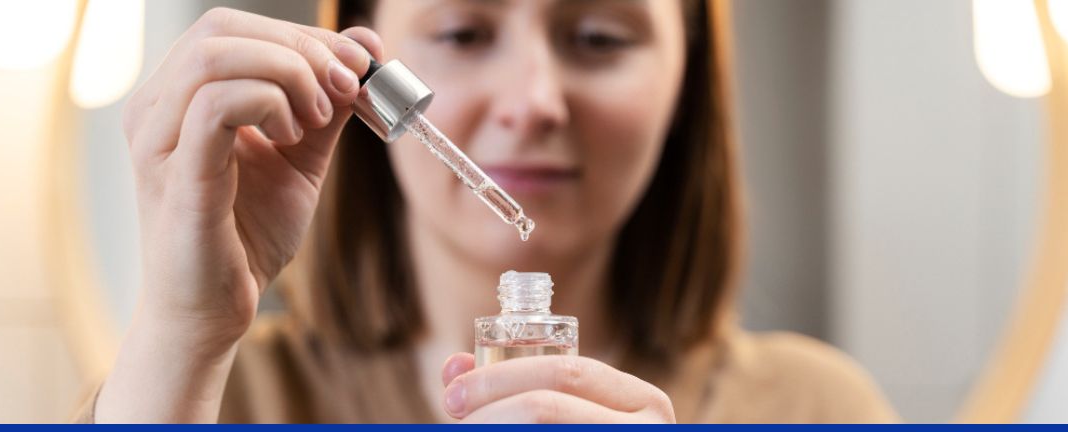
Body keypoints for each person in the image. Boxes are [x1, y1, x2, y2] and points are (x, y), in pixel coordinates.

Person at [75, 0, 897, 423]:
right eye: (466, 32)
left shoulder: (816, 408)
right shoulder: (228, 396)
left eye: (601, 37)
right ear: (360, 62)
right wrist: (182, 337)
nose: (533, 102)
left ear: (690, 75)